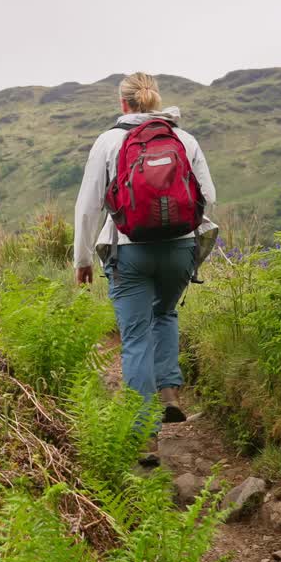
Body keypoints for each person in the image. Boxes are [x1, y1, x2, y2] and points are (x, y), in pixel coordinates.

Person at [73, 72, 217, 451]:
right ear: (155, 100)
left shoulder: (108, 142)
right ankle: (170, 394)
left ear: (123, 103)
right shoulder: (183, 139)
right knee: (165, 313)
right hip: (181, 248)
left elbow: (88, 207)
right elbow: (210, 196)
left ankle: (143, 435)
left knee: (135, 336)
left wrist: (83, 258)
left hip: (128, 249)